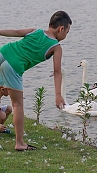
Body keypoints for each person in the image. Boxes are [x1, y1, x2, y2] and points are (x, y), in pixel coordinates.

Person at [0, 11, 72, 151]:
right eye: (67, 32)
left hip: (3, 52)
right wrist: (58, 95)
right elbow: (57, 72)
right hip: (13, 66)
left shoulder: (35, 31)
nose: (66, 36)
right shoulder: (56, 47)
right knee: (17, 105)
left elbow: (14, 32)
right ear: (61, 29)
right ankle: (20, 143)